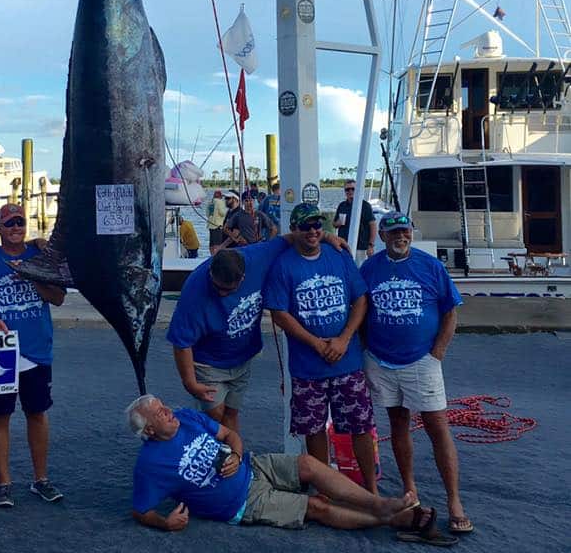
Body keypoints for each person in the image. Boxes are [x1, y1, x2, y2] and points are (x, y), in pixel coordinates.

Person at [127, 396, 438, 539]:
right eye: (159, 413)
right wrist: (165, 523)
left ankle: (381, 505)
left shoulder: (186, 417)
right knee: (317, 507)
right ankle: (392, 521)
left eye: (162, 405)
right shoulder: (150, 466)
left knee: (308, 464)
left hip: (252, 466)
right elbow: (140, 510)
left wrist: (236, 455)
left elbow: (229, 434)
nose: (167, 410)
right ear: (149, 431)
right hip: (241, 503)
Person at [167, 221, 346, 432]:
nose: (222, 294)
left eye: (229, 290)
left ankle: (235, 458)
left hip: (243, 357)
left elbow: (289, 238)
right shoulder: (195, 292)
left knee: (232, 413)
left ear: (243, 277)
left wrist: (326, 236)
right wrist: (190, 383)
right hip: (209, 363)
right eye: (218, 288)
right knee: (214, 416)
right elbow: (181, 343)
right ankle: (213, 458)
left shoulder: (257, 256)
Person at [361, 211, 473, 534]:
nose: (401, 237)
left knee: (437, 426)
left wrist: (437, 352)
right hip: (381, 362)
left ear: (411, 233)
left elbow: (450, 311)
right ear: (382, 236)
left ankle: (454, 500)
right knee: (398, 422)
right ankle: (410, 489)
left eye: (405, 231)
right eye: (394, 232)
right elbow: (360, 308)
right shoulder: (369, 268)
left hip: (421, 361)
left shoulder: (430, 266)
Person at [264, 203, 378, 492]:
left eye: (318, 225)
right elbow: (279, 313)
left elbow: (361, 299)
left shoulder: (339, 256)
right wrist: (315, 343)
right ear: (294, 230)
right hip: (307, 367)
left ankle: (372, 489)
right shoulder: (283, 265)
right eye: (306, 226)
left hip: (347, 360)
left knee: (360, 426)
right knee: (313, 430)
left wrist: (344, 339)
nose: (313, 231)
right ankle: (327, 491)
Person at [0, 204, 66, 507]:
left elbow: (58, 298)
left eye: (20, 222)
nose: (15, 228)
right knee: (0, 415)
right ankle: (3, 482)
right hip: (1, 352)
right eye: (8, 223)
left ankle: (41, 479)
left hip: (36, 351)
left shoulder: (40, 257)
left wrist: (32, 274)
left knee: (37, 413)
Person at [335, 178, 377, 261]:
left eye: (353, 189)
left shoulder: (365, 206)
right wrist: (338, 223)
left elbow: (373, 226)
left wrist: (371, 245)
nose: (350, 191)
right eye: (347, 189)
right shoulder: (342, 205)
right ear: (345, 191)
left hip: (360, 248)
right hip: (343, 246)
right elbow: (334, 224)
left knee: (359, 271)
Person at [205, 189, 227, 254]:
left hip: (210, 225)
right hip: (218, 225)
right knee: (218, 244)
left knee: (212, 244)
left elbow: (207, 214)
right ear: (220, 196)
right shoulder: (220, 202)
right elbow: (222, 213)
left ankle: (212, 256)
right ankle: (216, 256)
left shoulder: (210, 202)